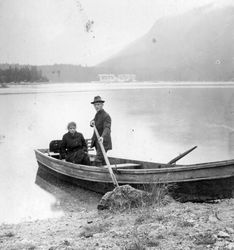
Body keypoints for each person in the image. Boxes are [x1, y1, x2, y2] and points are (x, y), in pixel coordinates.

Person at [90, 96, 112, 166]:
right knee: (102, 159)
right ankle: (106, 173)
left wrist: (102, 137)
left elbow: (107, 128)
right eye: (95, 105)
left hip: (103, 141)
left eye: (98, 104)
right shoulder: (98, 114)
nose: (96, 106)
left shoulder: (106, 116)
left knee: (98, 160)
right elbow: (94, 121)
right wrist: (91, 122)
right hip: (98, 141)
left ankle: (98, 175)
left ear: (102, 105)